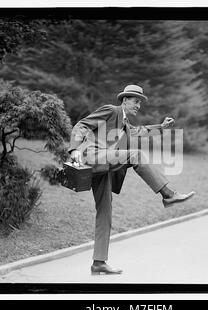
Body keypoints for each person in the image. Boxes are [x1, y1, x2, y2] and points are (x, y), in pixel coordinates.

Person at [68, 84, 195, 275]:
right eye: (135, 101)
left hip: (104, 168)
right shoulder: (111, 110)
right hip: (91, 157)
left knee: (105, 212)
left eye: (140, 102)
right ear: (125, 100)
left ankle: (98, 262)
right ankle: (168, 194)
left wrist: (161, 127)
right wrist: (74, 148)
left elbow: (138, 132)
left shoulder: (125, 124)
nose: (138, 106)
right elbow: (82, 125)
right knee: (134, 155)